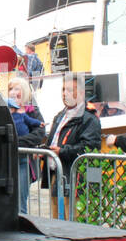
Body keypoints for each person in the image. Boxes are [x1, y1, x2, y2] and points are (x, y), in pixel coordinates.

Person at [44, 76, 101, 218]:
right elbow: (54, 141)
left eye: (69, 90)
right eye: (63, 89)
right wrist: (43, 150)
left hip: (75, 176)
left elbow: (90, 147)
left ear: (81, 93)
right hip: (57, 173)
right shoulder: (60, 116)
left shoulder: (89, 119)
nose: (64, 93)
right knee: (56, 216)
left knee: (74, 216)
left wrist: (62, 152)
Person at [7, 76, 44, 213]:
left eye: (17, 88)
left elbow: (39, 132)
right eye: (11, 89)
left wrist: (18, 142)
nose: (13, 92)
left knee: (20, 201)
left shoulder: (32, 110)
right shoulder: (5, 109)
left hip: (24, 160)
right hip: (8, 159)